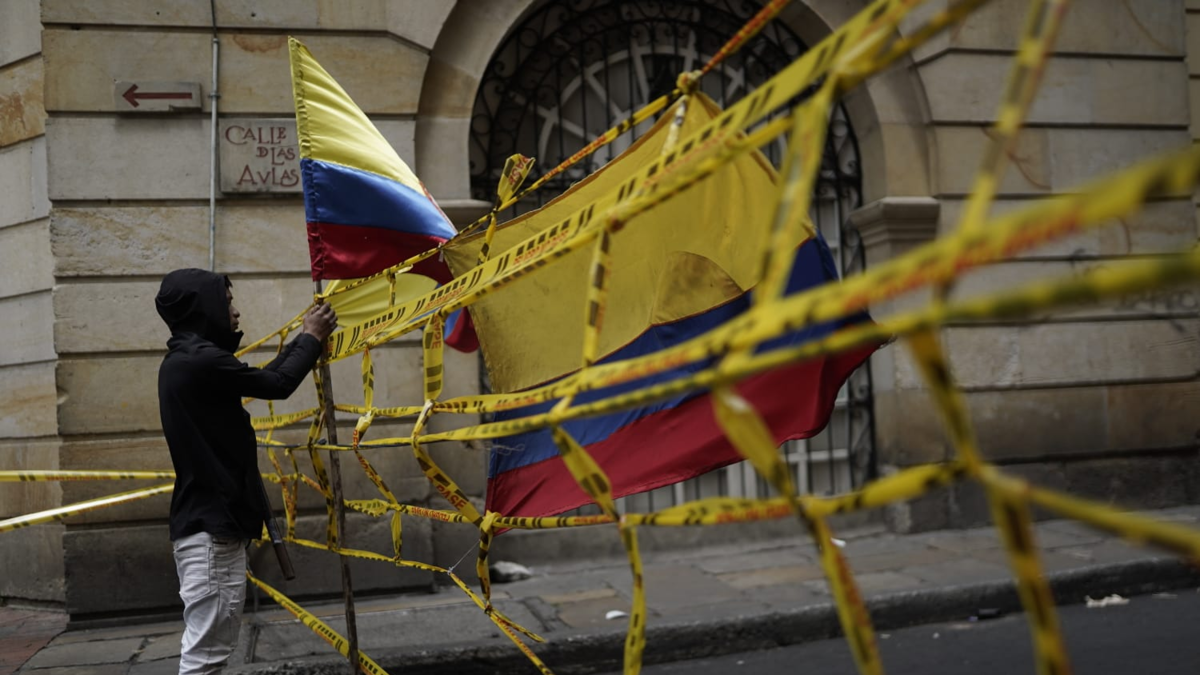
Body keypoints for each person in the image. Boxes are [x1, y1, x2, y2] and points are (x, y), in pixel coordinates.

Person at [154, 268, 337, 674]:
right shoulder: (200, 360)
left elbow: (267, 376)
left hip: (207, 527)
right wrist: (311, 337)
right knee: (205, 659)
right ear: (204, 309)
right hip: (211, 532)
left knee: (207, 654)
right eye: (227, 303)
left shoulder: (187, 360)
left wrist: (305, 338)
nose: (235, 313)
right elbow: (278, 384)